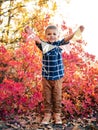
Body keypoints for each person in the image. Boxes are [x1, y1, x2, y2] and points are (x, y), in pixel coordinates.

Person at [31, 25, 84, 125]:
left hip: (58, 77)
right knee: (47, 96)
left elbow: (68, 38)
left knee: (57, 96)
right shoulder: (44, 45)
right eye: (49, 34)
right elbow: (37, 39)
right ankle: (47, 114)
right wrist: (30, 31)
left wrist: (77, 32)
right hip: (46, 77)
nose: (52, 36)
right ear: (46, 35)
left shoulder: (60, 44)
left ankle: (57, 114)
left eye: (54, 34)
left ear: (58, 35)